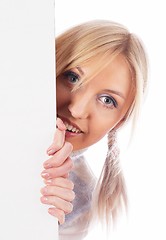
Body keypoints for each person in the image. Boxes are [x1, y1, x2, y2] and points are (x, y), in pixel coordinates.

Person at [40, 20, 148, 239]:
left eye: (107, 100)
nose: (77, 109)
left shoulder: (78, 200)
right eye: (72, 78)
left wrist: (38, 223)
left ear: (120, 121)